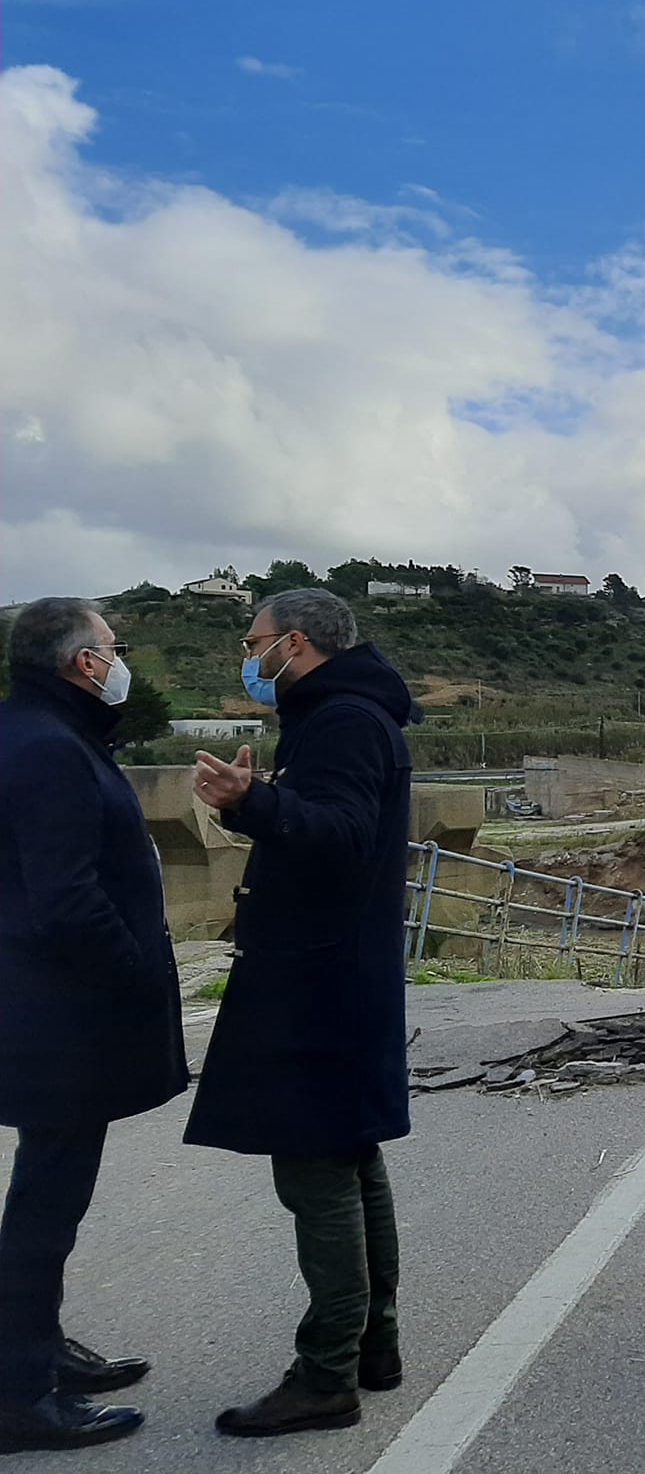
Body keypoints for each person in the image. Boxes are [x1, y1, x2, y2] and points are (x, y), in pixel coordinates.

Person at [185, 589, 418, 1437]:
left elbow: (342, 834)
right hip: (340, 972)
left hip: (318, 981)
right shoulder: (341, 713)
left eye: (252, 643)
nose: (246, 659)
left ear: (295, 642)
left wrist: (251, 804)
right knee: (350, 1157)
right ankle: (373, 1348)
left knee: (317, 1175)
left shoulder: (344, 721)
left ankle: (326, 1374)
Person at [0, 600, 187, 1454]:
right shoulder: (46, 749)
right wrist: (141, 977)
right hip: (60, 1023)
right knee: (45, 1205)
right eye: (113, 647)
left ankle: (39, 1350)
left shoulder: (45, 734)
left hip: (48, 1013)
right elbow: (69, 898)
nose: (121, 659)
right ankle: (19, 1392)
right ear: (82, 664)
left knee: (50, 1198)